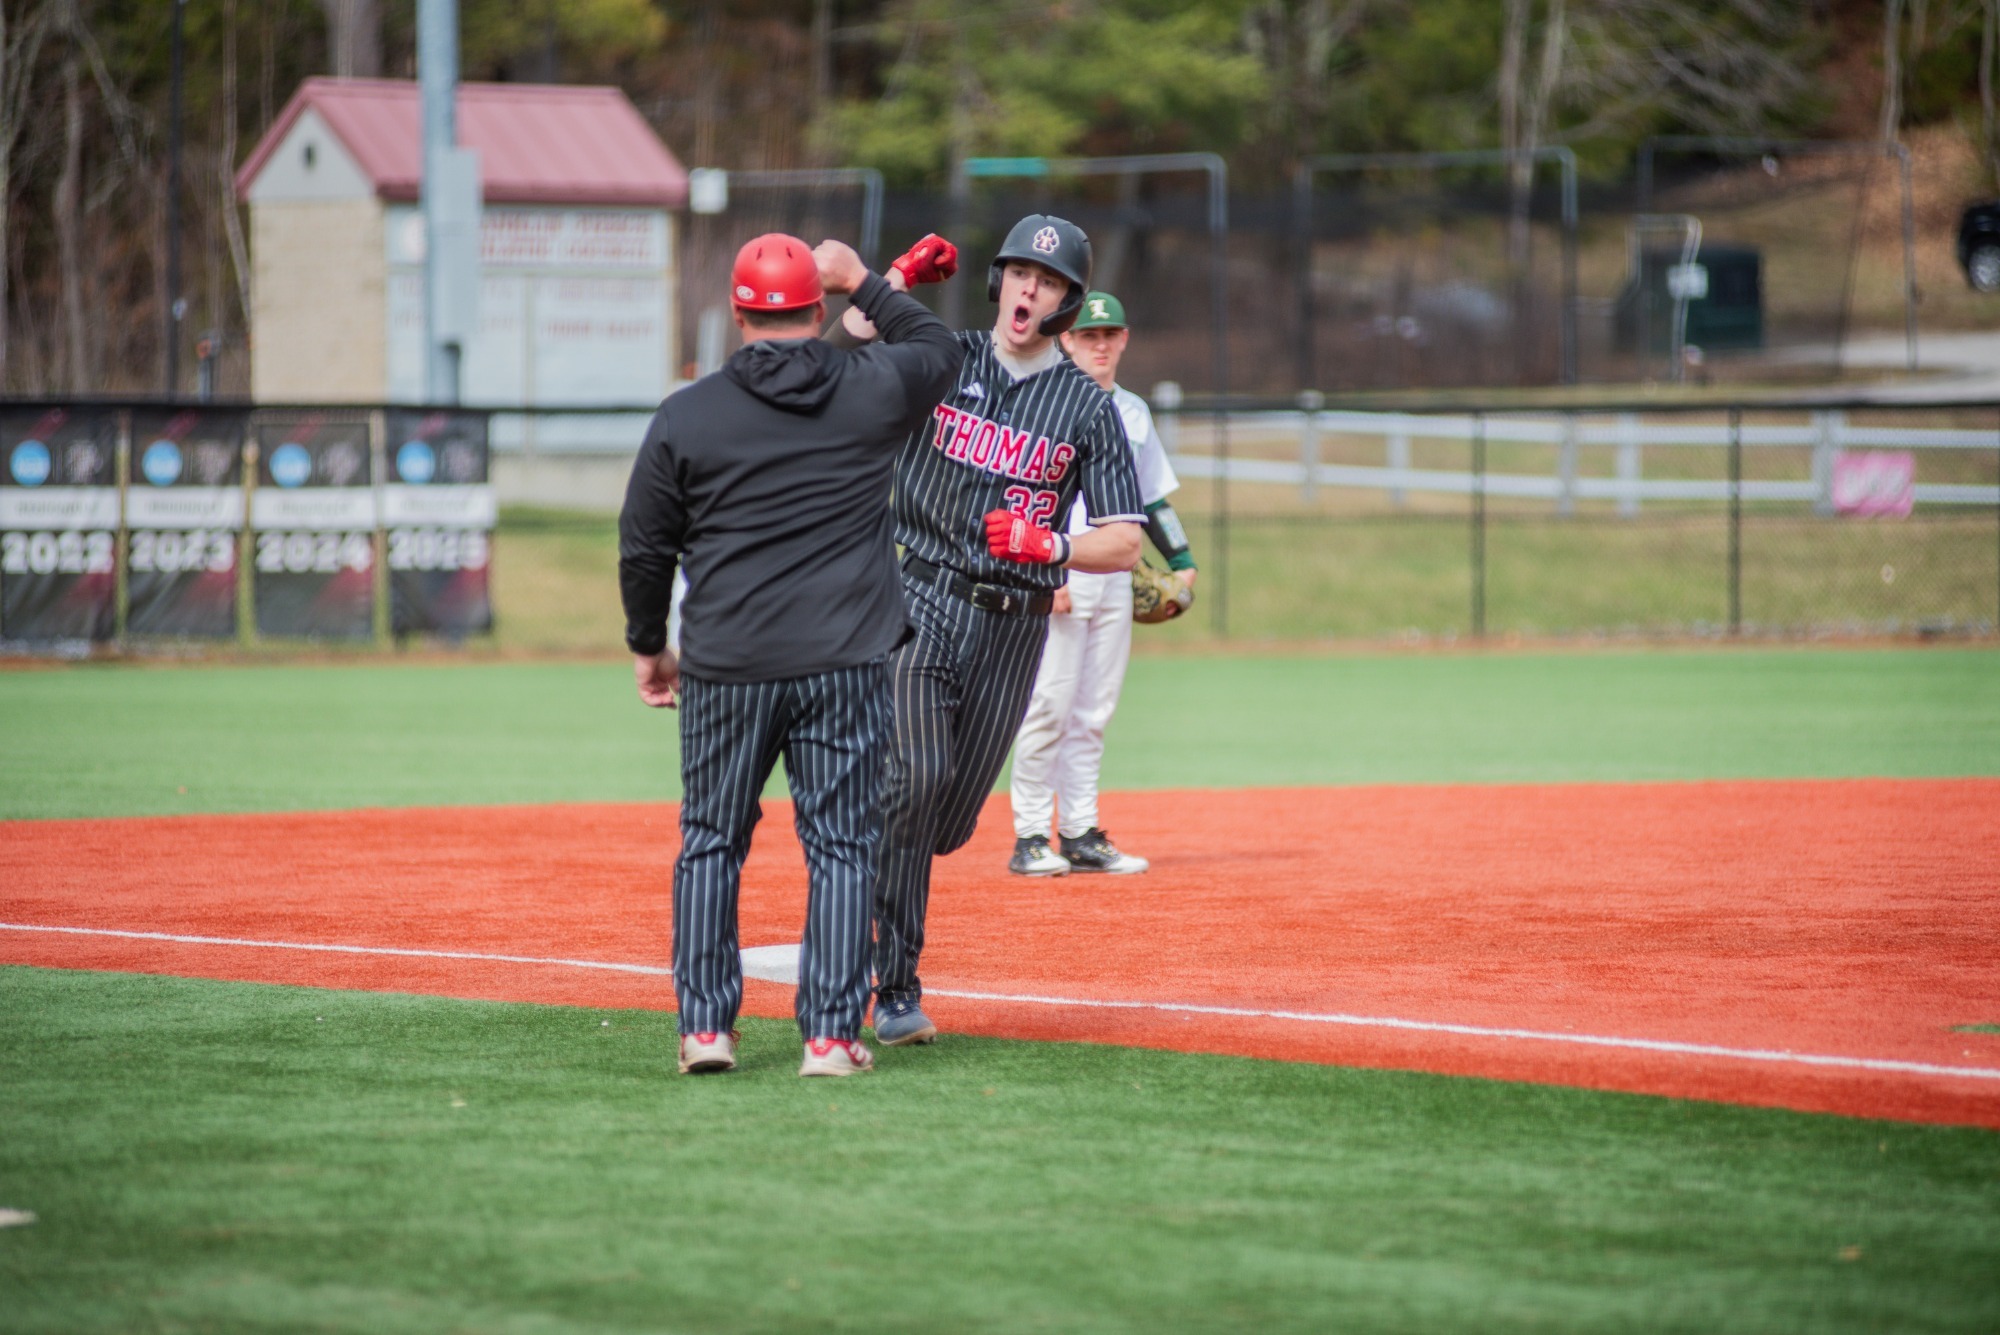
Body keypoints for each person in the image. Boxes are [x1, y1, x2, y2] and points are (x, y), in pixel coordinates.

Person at [619, 233, 961, 1078]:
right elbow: (940, 348)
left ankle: (706, 1028)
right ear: (817, 308)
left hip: (727, 662)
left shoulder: (688, 413)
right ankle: (831, 1037)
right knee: (842, 844)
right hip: (844, 659)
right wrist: (867, 281)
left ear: (738, 315)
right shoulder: (870, 388)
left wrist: (649, 646)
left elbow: (644, 545)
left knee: (711, 839)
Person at [830, 216, 1146, 1046]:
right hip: (918, 598)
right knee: (916, 777)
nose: (1029, 289)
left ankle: (869, 833)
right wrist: (893, 281)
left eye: (1049, 281)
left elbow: (1125, 540)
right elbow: (829, 362)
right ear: (999, 281)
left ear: (1066, 302)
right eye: (1019, 273)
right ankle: (894, 986)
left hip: (1014, 627)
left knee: (945, 822)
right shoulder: (944, 354)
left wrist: (1053, 546)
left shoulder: (1086, 406)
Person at [1007, 291, 1197, 877]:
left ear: (1124, 339)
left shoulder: (1134, 412)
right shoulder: (1045, 404)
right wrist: (1042, 572)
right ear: (1066, 339)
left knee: (1093, 712)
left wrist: (1182, 557)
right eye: (1088, 335)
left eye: (1109, 334)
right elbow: (1023, 493)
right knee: (1050, 706)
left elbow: (1151, 497)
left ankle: (1080, 832)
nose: (1100, 344)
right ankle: (1030, 835)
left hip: (1116, 574)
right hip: (1060, 571)